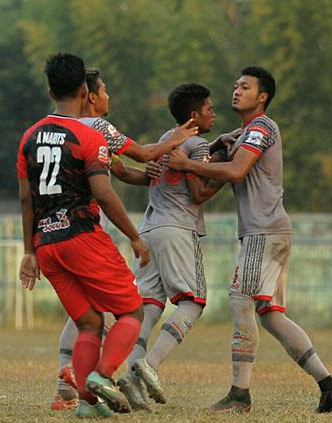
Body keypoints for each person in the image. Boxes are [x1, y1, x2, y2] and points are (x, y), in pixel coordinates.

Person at [167, 66, 332, 413]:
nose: (236, 91)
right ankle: (329, 384)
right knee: (270, 314)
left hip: (264, 231)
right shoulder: (243, 132)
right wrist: (203, 157)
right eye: (235, 85)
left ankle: (239, 394)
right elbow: (207, 188)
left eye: (245, 86)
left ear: (261, 96)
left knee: (239, 300)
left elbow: (236, 171)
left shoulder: (262, 127)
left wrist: (190, 165)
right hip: (270, 231)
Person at [50, 68, 198, 411]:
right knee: (122, 309)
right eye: (105, 91)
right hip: (85, 228)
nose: (108, 97)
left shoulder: (64, 130)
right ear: (90, 96)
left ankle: (68, 385)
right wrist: (177, 138)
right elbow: (142, 154)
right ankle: (92, 376)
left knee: (86, 311)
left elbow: (120, 170)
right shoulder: (97, 127)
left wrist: (149, 178)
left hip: (55, 230)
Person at [18, 53, 150, 418]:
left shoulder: (28, 138)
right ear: (83, 90)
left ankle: (89, 404)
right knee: (131, 311)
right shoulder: (88, 136)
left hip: (47, 245)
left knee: (89, 322)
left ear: (49, 91)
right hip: (82, 237)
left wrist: (29, 251)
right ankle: (103, 377)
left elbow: (27, 198)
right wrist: (135, 237)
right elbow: (105, 194)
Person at [118, 83, 226, 410]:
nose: (214, 114)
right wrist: (223, 170)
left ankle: (131, 375)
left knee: (150, 306)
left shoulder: (166, 138)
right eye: (209, 109)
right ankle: (149, 364)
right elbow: (198, 194)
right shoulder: (198, 144)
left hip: (149, 228)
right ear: (195, 115)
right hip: (178, 229)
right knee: (193, 302)